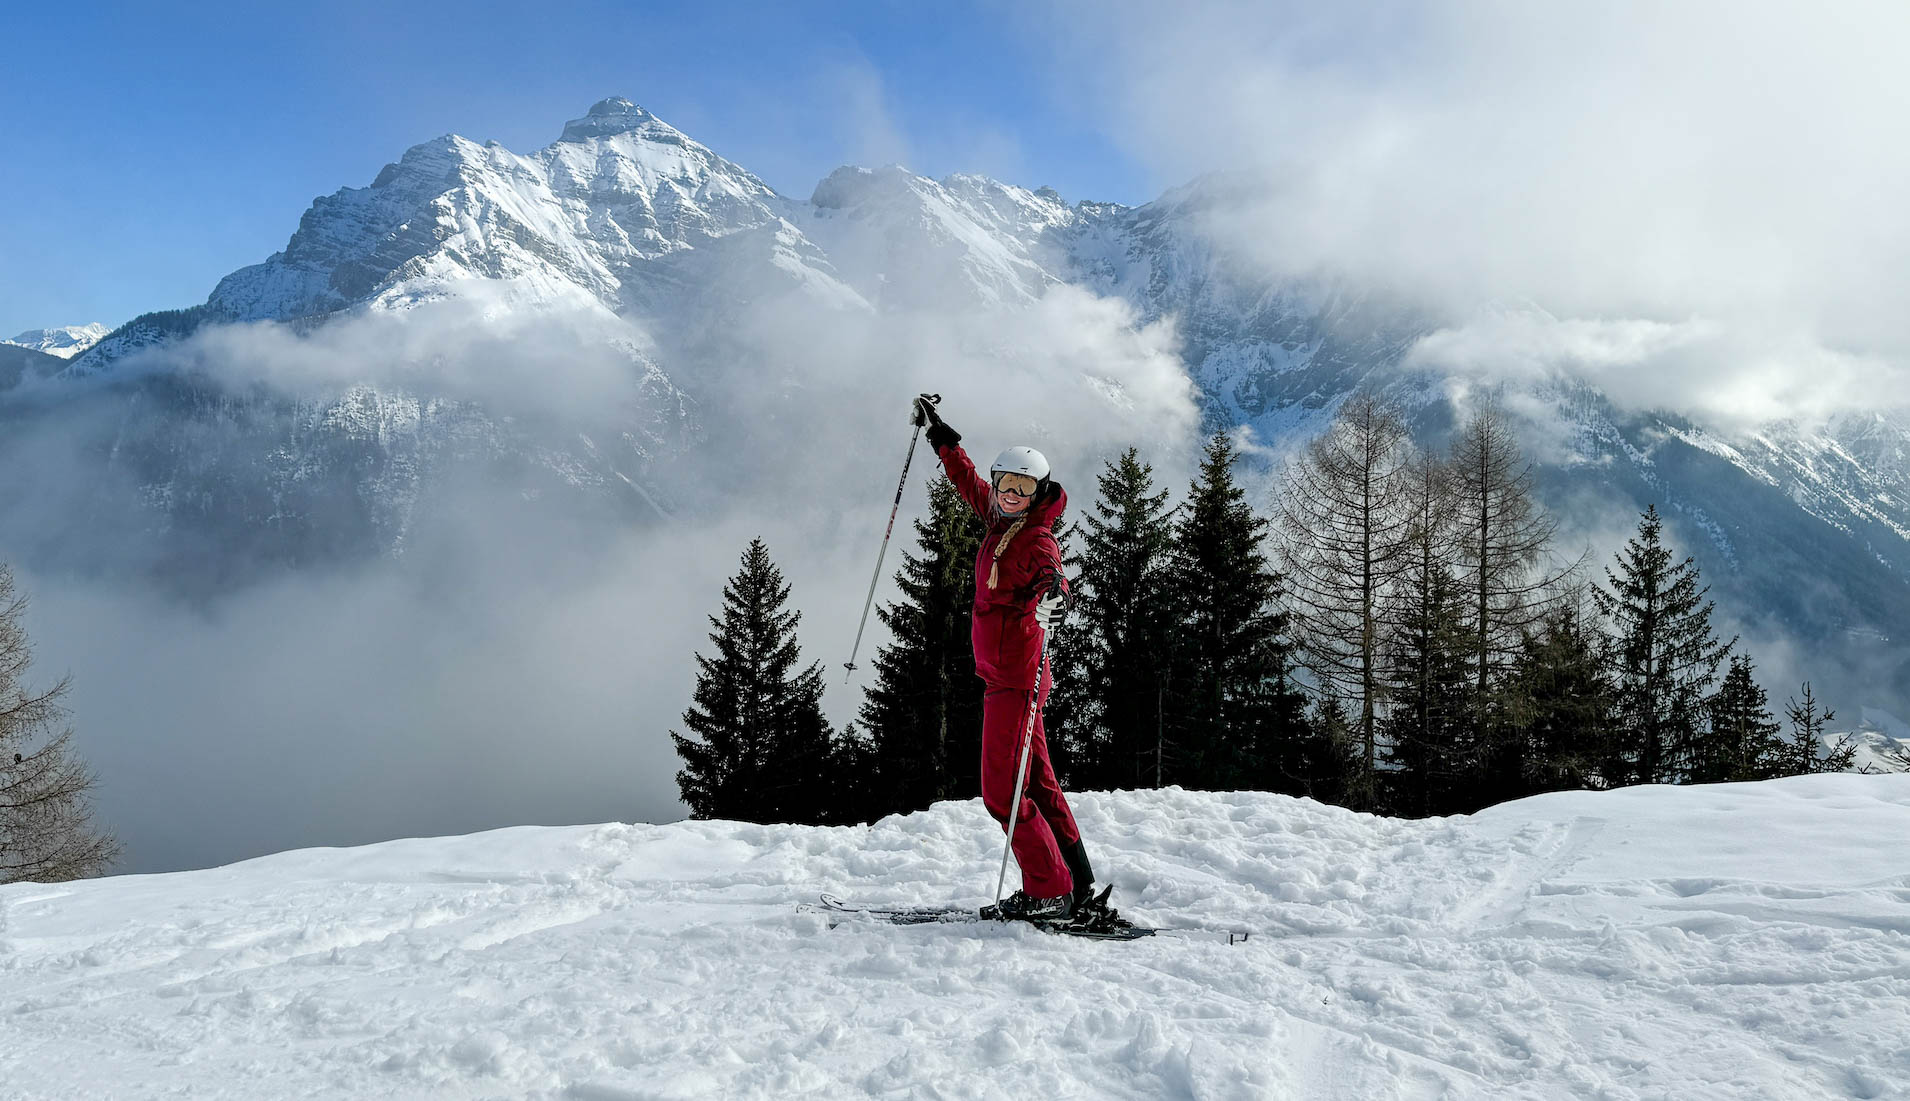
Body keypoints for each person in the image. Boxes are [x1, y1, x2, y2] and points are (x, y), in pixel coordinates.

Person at [911, 395, 1095, 921]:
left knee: (1001, 793)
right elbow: (967, 483)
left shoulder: (1034, 539)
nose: (1011, 494)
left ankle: (1048, 889)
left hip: (1017, 681)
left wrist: (1056, 597)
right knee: (1037, 783)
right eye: (1005, 483)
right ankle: (1076, 880)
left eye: (1023, 488)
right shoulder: (998, 519)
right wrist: (942, 437)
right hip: (1009, 678)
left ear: (1040, 492)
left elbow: (1052, 576)